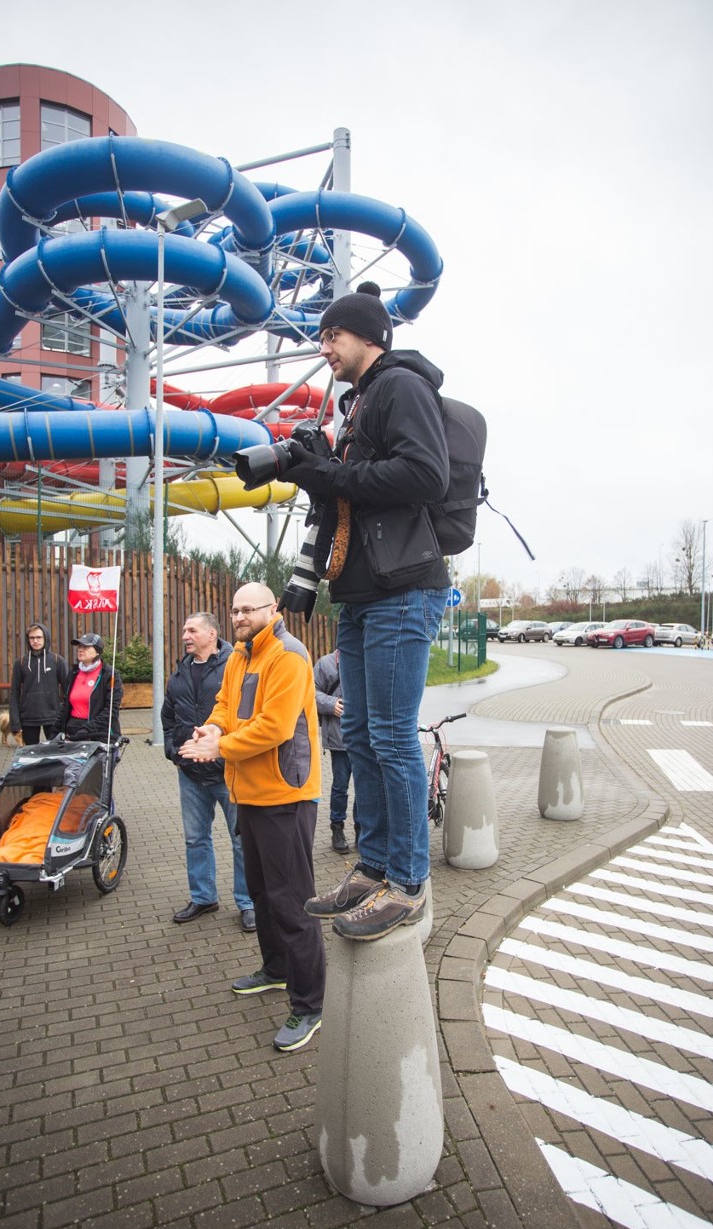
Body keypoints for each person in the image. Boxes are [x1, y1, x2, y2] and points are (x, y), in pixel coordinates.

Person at [283, 283, 450, 941]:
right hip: (359, 596)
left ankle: (407, 883)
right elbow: (346, 495)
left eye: (332, 335)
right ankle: (374, 865)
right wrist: (319, 470)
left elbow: (425, 475)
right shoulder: (357, 406)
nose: (323, 347)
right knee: (364, 738)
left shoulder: (400, 387)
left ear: (367, 336)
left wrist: (335, 476)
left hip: (402, 590)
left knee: (389, 736)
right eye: (321, 336)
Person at [179, 583, 325, 1053]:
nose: (239, 616)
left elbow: (275, 727)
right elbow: (226, 704)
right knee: (261, 892)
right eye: (235, 609)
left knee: (292, 901)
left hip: (286, 795)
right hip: (251, 795)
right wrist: (214, 726)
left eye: (248, 609)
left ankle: (310, 1005)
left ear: (273, 609)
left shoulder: (288, 654)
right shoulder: (240, 655)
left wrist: (216, 747)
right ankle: (276, 970)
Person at [162, 612, 256, 933]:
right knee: (194, 839)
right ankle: (203, 897)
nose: (185, 635)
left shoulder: (235, 665)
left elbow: (245, 714)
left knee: (241, 840)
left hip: (228, 770)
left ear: (212, 633)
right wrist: (173, 752)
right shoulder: (179, 673)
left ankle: (248, 903)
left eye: (192, 630)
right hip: (190, 774)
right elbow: (168, 718)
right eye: (184, 630)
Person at [312, 649, 358, 852]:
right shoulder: (325, 663)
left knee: (364, 788)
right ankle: (337, 828)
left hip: (363, 739)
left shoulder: (363, 659)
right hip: (339, 739)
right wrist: (331, 704)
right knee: (340, 787)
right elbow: (310, 691)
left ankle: (362, 830)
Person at [9, 622, 68, 745]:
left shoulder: (57, 661)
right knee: (32, 756)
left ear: (45, 637)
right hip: (28, 717)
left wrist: (67, 718)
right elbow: (14, 693)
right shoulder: (20, 663)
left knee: (55, 755)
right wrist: (15, 722)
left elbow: (68, 691)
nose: (35, 641)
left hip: (53, 717)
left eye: (39, 637)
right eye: (32, 638)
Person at [61, 633, 122, 742]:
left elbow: (111, 710)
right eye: (79, 646)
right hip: (74, 732)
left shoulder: (109, 674)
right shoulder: (74, 672)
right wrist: (56, 732)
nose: (80, 649)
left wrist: (87, 729)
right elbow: (65, 705)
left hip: (99, 733)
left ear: (97, 651)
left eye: (85, 647)